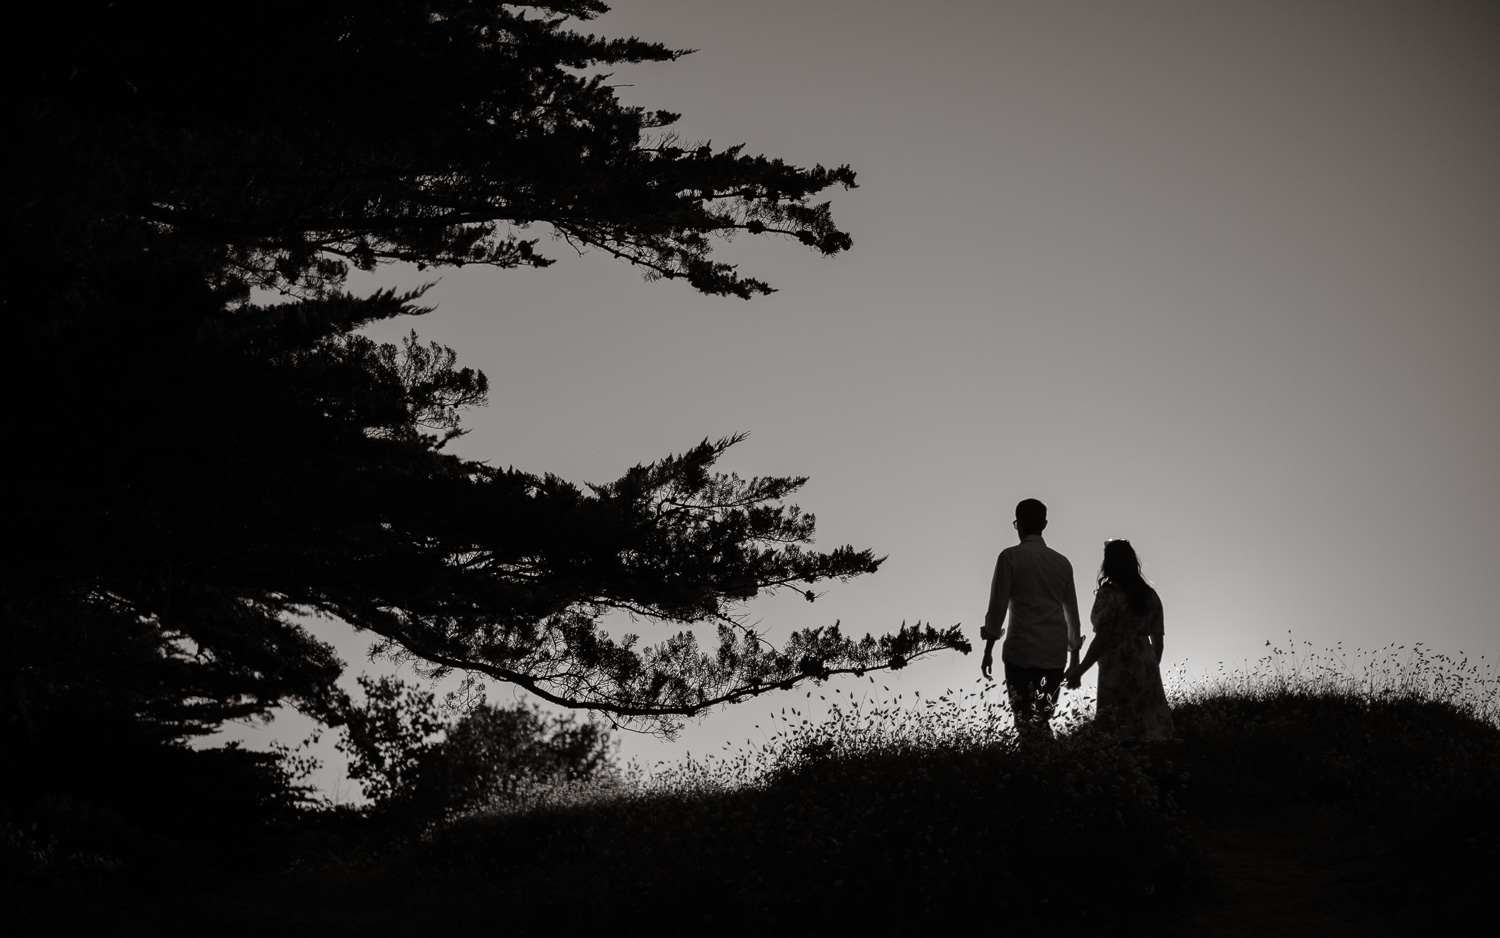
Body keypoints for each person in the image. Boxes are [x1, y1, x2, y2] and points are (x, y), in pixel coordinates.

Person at [980, 498, 1082, 739]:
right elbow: (1072, 613)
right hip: (1054, 654)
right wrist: (1074, 656)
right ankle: (1050, 764)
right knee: (1042, 718)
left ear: (1019, 524)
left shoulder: (1009, 557)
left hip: (1021, 652)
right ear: (1044, 524)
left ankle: (1039, 768)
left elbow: (998, 607)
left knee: (1024, 721)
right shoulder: (1062, 563)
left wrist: (988, 648)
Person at [1065, 540, 1175, 740]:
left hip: (1116, 668)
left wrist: (1079, 670)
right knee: (1149, 728)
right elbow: (1158, 641)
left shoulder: (1109, 594)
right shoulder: (1150, 596)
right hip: (1146, 666)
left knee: (1119, 731)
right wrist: (1150, 666)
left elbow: (1102, 638)